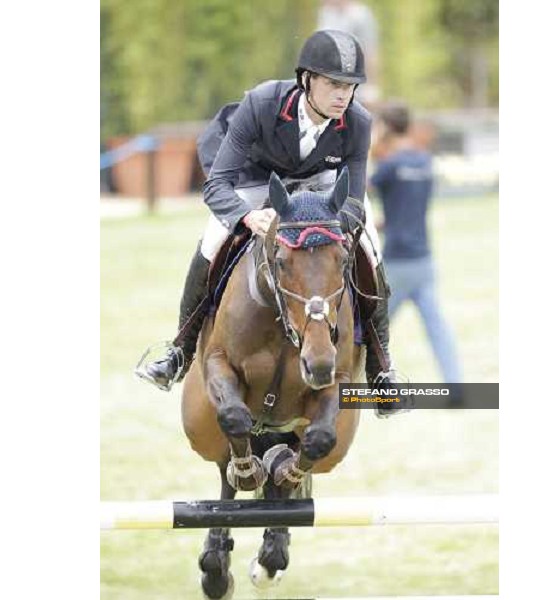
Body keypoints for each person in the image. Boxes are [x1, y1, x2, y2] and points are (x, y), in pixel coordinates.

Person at [138, 30, 400, 407]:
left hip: (321, 186)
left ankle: (381, 367)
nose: (343, 95)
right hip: (256, 180)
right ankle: (178, 351)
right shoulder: (262, 103)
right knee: (213, 239)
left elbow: (354, 200)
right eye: (333, 84)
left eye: (350, 86)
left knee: (369, 248)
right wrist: (245, 217)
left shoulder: (358, 121)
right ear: (307, 79)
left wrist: (330, 227)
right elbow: (217, 186)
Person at [370, 101, 463, 387]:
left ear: (384, 126)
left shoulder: (388, 166)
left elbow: (362, 193)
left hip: (397, 261)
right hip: (424, 260)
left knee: (374, 332)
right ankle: (455, 384)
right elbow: (409, 207)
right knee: (437, 329)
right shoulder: (425, 162)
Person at [317, 0, 380, 105]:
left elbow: (369, 52)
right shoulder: (327, 13)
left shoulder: (360, 16)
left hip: (353, 85)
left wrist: (371, 87)